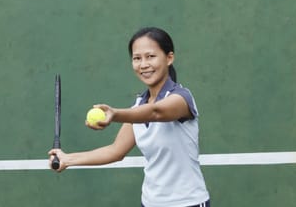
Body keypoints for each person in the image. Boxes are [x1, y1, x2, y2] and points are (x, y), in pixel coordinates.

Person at [48, 27, 210, 207]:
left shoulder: (181, 98)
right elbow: (115, 151)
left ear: (169, 58)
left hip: (187, 203)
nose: (143, 64)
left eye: (151, 56)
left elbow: (156, 112)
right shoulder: (138, 106)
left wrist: (115, 114)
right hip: (150, 203)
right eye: (137, 58)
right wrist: (67, 159)